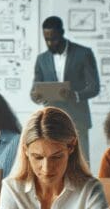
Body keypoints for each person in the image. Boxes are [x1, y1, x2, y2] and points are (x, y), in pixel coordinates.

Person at [31, 16, 100, 159]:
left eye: (54, 39)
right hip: (51, 121)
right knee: (53, 160)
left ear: (62, 33)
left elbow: (94, 87)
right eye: (47, 40)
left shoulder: (84, 53)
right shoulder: (42, 59)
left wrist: (75, 95)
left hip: (78, 118)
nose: (50, 43)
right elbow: (34, 89)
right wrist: (36, 96)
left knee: (82, 161)